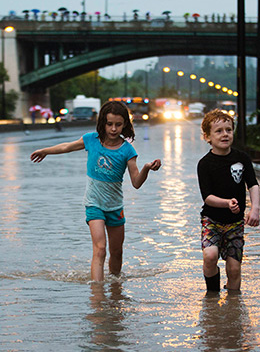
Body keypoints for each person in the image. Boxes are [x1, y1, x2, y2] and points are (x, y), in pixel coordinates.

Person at [30, 100, 162, 282]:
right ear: (102, 123)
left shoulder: (127, 150)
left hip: (115, 207)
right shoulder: (91, 140)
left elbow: (136, 183)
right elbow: (67, 147)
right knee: (100, 249)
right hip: (94, 205)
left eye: (118, 124)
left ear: (125, 125)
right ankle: (97, 294)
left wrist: (147, 167)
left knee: (116, 252)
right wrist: (46, 151)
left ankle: (115, 287)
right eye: (109, 124)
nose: (114, 129)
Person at [197, 109, 260, 292]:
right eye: (218, 131)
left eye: (228, 130)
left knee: (234, 268)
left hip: (235, 223)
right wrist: (226, 203)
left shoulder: (242, 158)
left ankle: (233, 305)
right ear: (207, 137)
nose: (225, 134)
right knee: (210, 255)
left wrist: (254, 209)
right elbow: (207, 197)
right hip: (212, 220)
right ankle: (212, 296)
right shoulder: (205, 164)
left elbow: (253, 185)